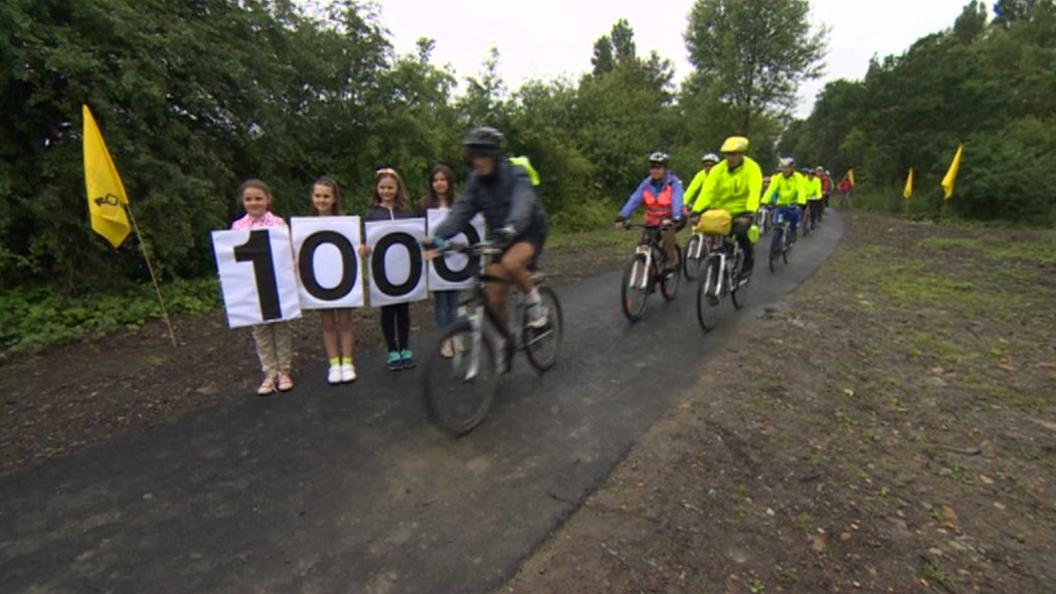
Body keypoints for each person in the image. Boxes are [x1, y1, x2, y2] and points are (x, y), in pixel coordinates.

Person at [427, 127, 550, 333]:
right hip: (502, 238)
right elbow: (461, 210)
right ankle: (505, 337)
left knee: (511, 263)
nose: (478, 161)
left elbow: (524, 203)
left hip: (528, 231)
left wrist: (512, 226)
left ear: (494, 155)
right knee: (494, 296)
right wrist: (438, 235)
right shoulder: (476, 181)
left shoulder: (515, 174)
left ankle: (537, 307)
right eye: (474, 156)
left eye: (483, 155)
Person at [231, 179, 295, 396]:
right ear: (243, 201)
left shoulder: (278, 224)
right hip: (252, 288)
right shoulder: (237, 227)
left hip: (276, 285)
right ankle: (269, 372)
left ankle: (284, 370)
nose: (254, 203)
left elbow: (288, 252)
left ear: (268, 199)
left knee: (280, 327)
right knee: (260, 331)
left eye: (258, 198)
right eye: (249, 199)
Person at [359, 168, 417, 371]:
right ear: (377, 189)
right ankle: (392, 350)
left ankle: (405, 348)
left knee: (403, 309)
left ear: (397, 188)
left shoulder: (406, 213)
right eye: (382, 187)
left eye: (390, 187)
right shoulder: (372, 214)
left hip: (403, 269)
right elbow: (366, 242)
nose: (386, 191)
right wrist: (364, 249)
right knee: (388, 309)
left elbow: (414, 238)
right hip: (382, 271)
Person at [690, 136, 762, 280]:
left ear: (742, 154)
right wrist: (697, 210)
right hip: (722, 211)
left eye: (733, 154)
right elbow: (707, 191)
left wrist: (750, 212)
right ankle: (719, 268)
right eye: (727, 154)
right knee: (716, 236)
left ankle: (748, 260)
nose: (730, 157)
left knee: (741, 233)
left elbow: (754, 191)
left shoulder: (752, 168)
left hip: (743, 211)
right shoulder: (718, 169)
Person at [309, 177, 357, 384]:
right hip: (319, 281)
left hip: (342, 278)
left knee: (345, 322)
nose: (322, 200)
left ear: (334, 198)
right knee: (327, 323)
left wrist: (361, 250)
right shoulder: (306, 226)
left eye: (326, 196)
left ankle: (347, 362)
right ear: (312, 198)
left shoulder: (345, 222)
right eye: (318, 196)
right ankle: (334, 364)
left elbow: (354, 248)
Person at [614, 152, 686, 273]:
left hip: (674, 218)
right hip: (653, 221)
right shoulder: (646, 184)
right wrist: (622, 216)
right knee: (643, 246)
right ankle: (650, 276)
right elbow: (634, 199)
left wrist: (676, 216)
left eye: (658, 168)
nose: (655, 171)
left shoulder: (674, 183)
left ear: (665, 169)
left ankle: (671, 260)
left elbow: (677, 200)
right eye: (652, 167)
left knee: (666, 228)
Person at [420, 164, 461, 358]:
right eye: (435, 180)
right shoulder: (424, 205)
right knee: (441, 302)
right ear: (431, 183)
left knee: (455, 300)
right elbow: (420, 233)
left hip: (455, 259)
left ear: (449, 182)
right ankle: (445, 340)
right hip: (435, 260)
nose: (439, 183)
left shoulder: (459, 205)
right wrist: (427, 244)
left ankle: (456, 336)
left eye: (442, 179)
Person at [762, 157, 805, 243]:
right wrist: (764, 201)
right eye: (783, 167)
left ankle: (793, 231)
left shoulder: (798, 177)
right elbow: (771, 189)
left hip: (793, 203)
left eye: (787, 167)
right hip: (781, 204)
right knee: (777, 225)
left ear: (792, 168)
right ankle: (776, 246)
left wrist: (801, 202)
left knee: (794, 216)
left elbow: (801, 190)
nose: (784, 170)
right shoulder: (778, 177)